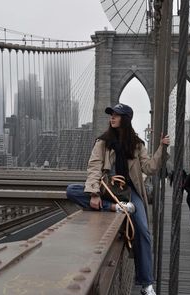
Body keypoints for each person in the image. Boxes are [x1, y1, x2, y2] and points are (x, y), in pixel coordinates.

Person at [66, 103, 170, 295]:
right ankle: (115, 207)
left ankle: (146, 284)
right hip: (107, 190)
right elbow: (94, 167)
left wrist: (162, 149)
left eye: (116, 115)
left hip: (129, 192)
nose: (111, 118)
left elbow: (149, 168)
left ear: (125, 119)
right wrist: (95, 193)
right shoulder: (102, 141)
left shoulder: (137, 144)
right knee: (71, 190)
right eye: (111, 115)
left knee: (143, 232)